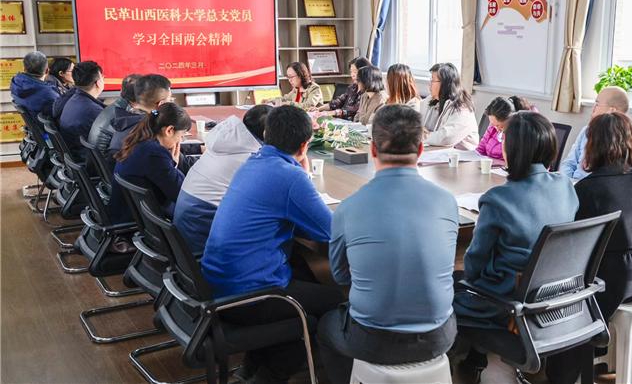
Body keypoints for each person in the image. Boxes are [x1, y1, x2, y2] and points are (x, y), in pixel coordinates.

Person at [201, 105, 344, 383]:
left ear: (265, 135)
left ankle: (251, 368)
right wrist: (302, 174)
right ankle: (270, 376)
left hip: (217, 285)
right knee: (336, 301)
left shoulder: (251, 163)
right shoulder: (289, 176)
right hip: (250, 295)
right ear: (304, 145)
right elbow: (331, 230)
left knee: (306, 272)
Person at [317, 105, 459, 384]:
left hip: (373, 341)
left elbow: (340, 276)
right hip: (439, 337)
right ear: (420, 150)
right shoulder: (447, 201)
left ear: (372, 149)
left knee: (325, 326)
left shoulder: (349, 207)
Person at [454, 112, 578, 381]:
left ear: (510, 150)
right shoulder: (566, 186)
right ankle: (479, 359)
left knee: (450, 290)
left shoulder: (498, 199)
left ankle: (464, 366)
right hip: (558, 296)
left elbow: (474, 265)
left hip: (509, 302)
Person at [546, 112, 632, 384]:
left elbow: (572, 247)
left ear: (593, 144)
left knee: (553, 283)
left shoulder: (588, 189)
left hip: (607, 284)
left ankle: (560, 373)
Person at [173, 105, 272, 255]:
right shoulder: (252, 158)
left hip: (186, 239)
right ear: (267, 133)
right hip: (204, 244)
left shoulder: (228, 143)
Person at [108, 102, 191, 223]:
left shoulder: (141, 139)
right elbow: (180, 195)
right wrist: (175, 165)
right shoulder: (154, 154)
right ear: (169, 130)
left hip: (127, 211)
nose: (180, 140)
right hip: (139, 220)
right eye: (182, 135)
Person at [561, 85, 632, 180]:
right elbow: (569, 163)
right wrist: (567, 183)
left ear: (612, 111)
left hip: (599, 187)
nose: (593, 109)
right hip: (574, 184)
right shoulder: (586, 131)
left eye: (597, 104)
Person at [107, 74, 172, 161]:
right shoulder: (151, 129)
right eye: (170, 100)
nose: (171, 103)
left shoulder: (125, 117)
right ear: (161, 104)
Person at [50, 61, 106, 160]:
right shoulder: (94, 111)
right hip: (88, 159)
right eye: (102, 77)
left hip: (76, 155)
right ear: (98, 83)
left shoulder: (73, 99)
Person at [422, 63, 479, 149]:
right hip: (439, 151)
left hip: (461, 155)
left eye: (433, 80)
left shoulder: (462, 107)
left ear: (445, 84)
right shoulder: (433, 100)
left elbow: (446, 138)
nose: (429, 84)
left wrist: (422, 136)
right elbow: (416, 121)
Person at [87, 74, 140, 155]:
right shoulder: (127, 116)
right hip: (107, 160)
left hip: (97, 159)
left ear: (121, 90)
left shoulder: (114, 107)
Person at [476, 95, 535, 160]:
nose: (496, 129)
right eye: (493, 124)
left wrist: (494, 162)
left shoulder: (519, 134)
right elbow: (480, 150)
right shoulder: (493, 126)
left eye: (499, 125)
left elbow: (515, 162)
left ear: (509, 120)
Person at [10, 51, 59, 119]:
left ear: (24, 69)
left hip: (36, 121)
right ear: (47, 70)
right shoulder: (50, 95)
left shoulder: (16, 83)